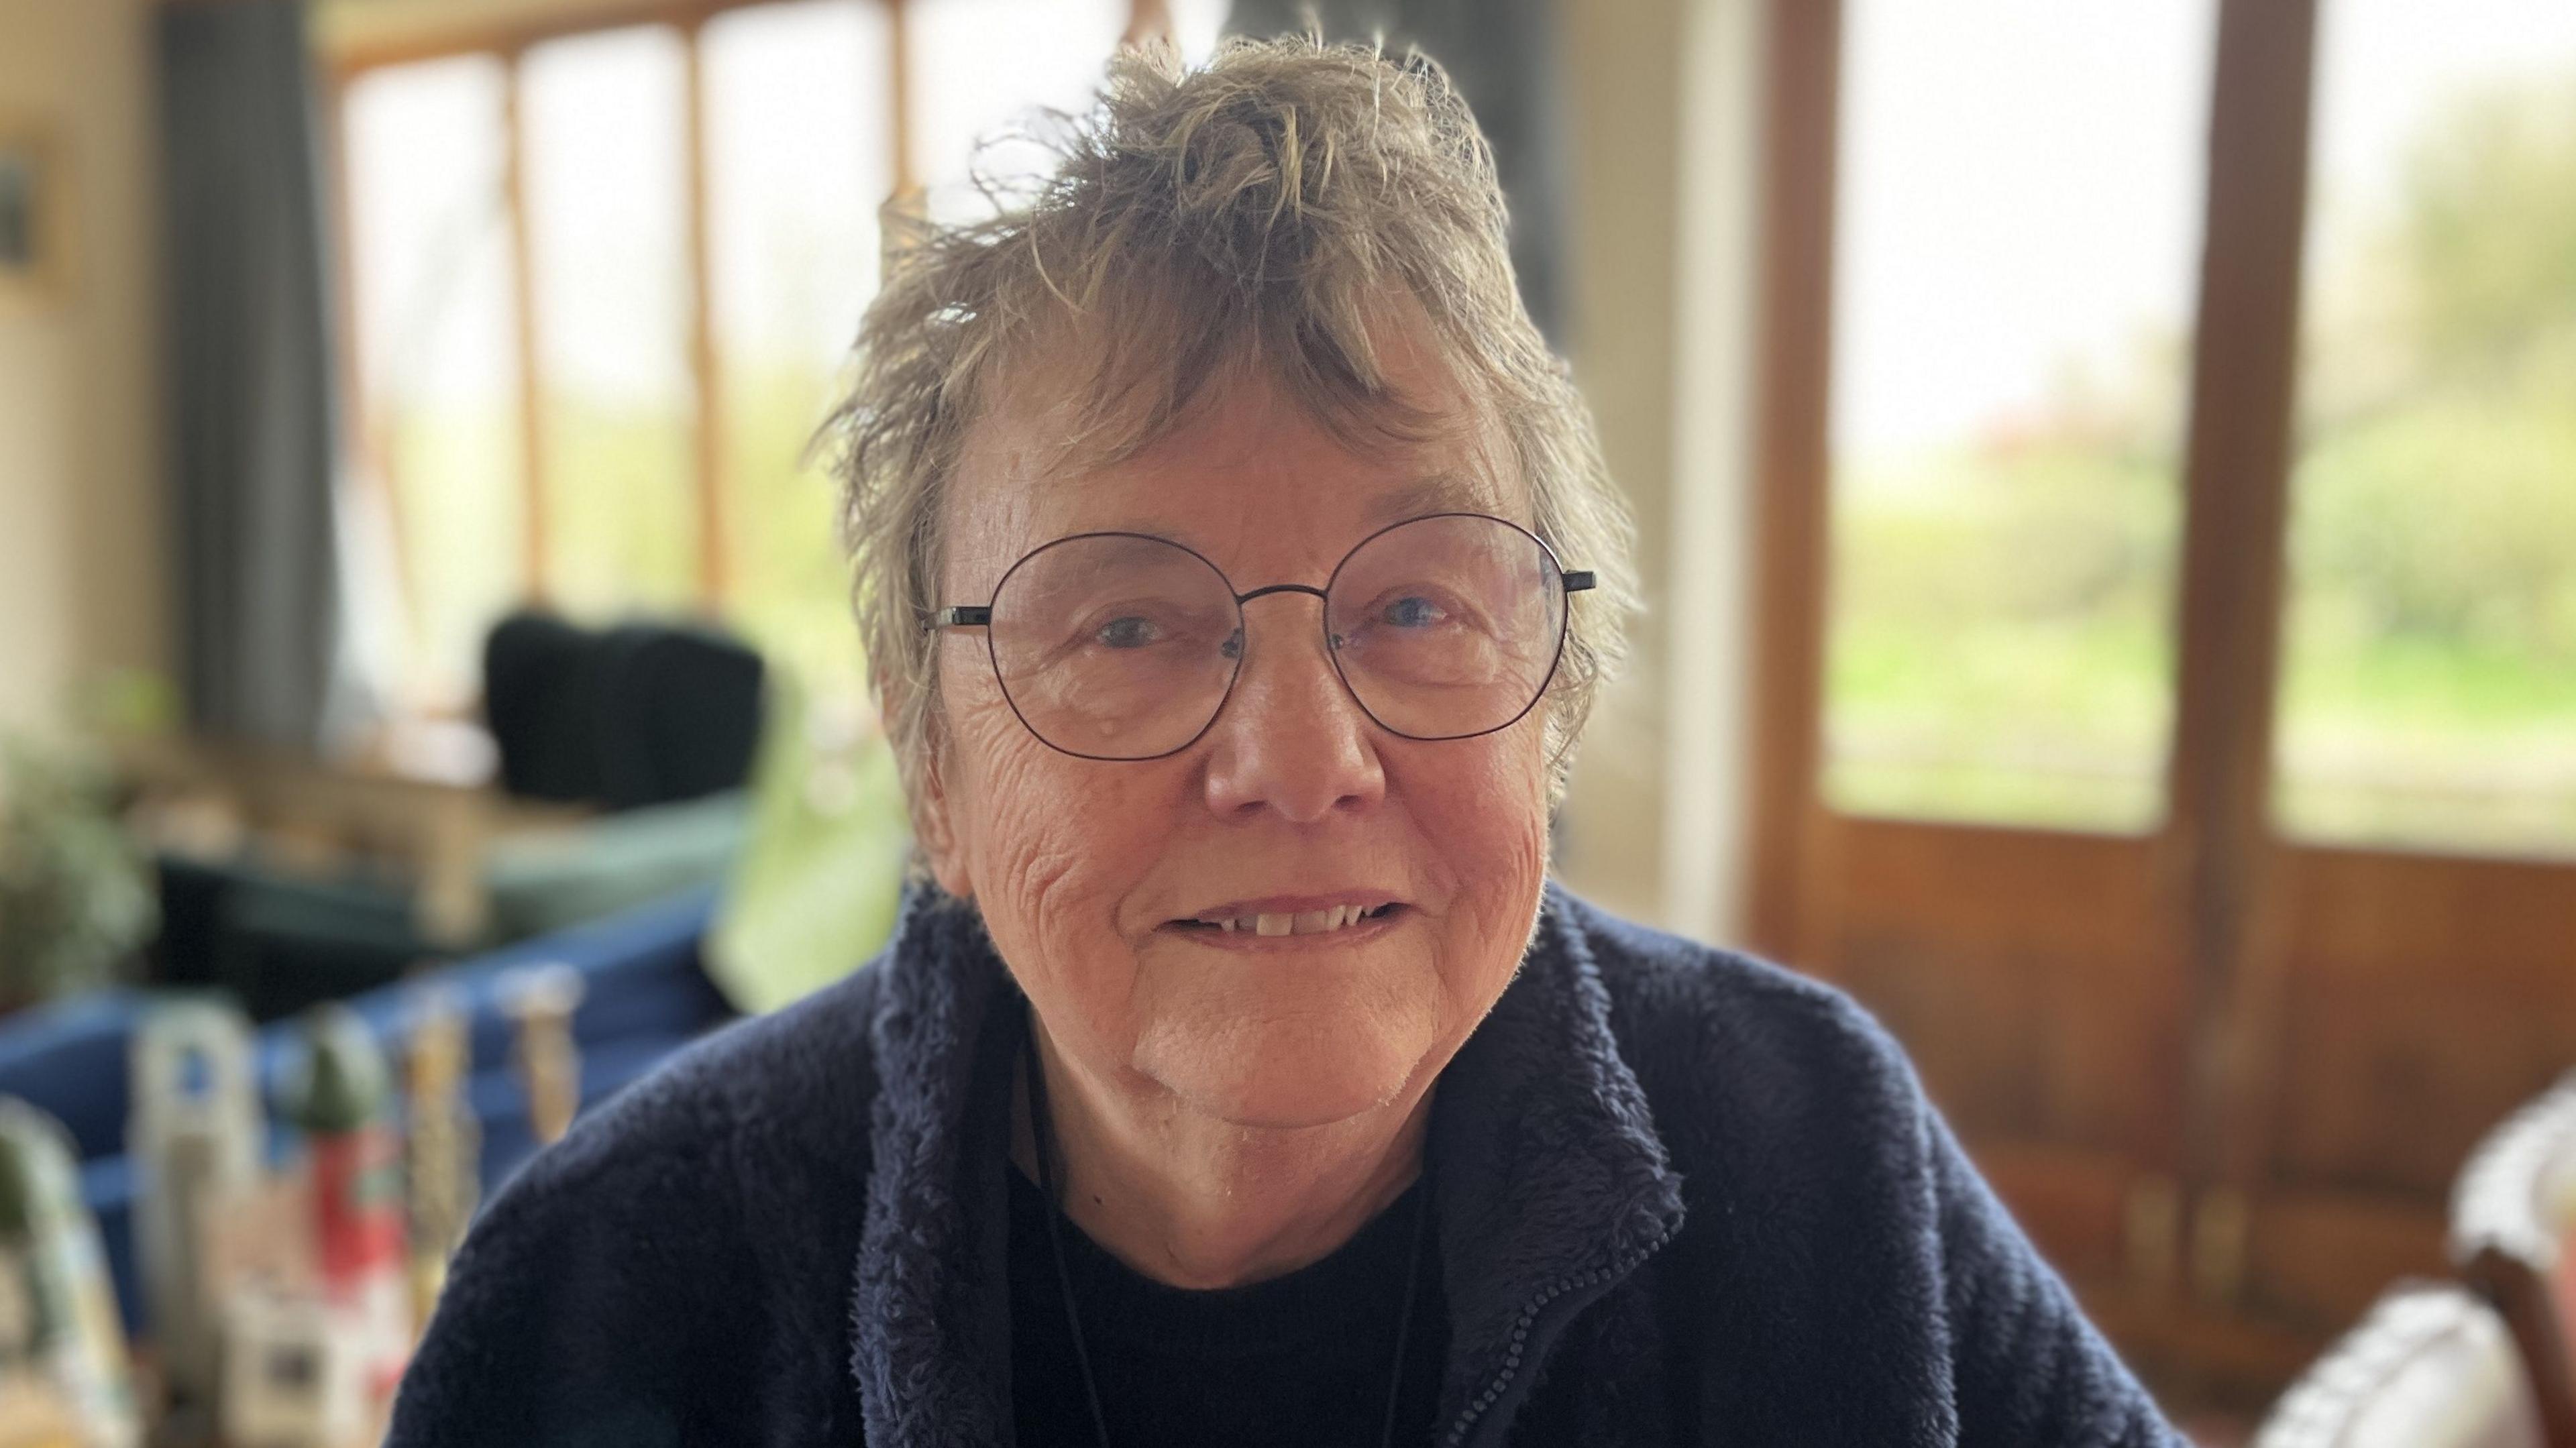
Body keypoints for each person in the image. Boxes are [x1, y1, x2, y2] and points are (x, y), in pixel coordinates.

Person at [388, 35, 2183, 1448]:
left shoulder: (1812, 1154)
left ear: (1548, 694)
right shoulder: (613, 1289)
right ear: (932, 772)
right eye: (1127, 627)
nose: (1304, 756)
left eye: (1416, 606)